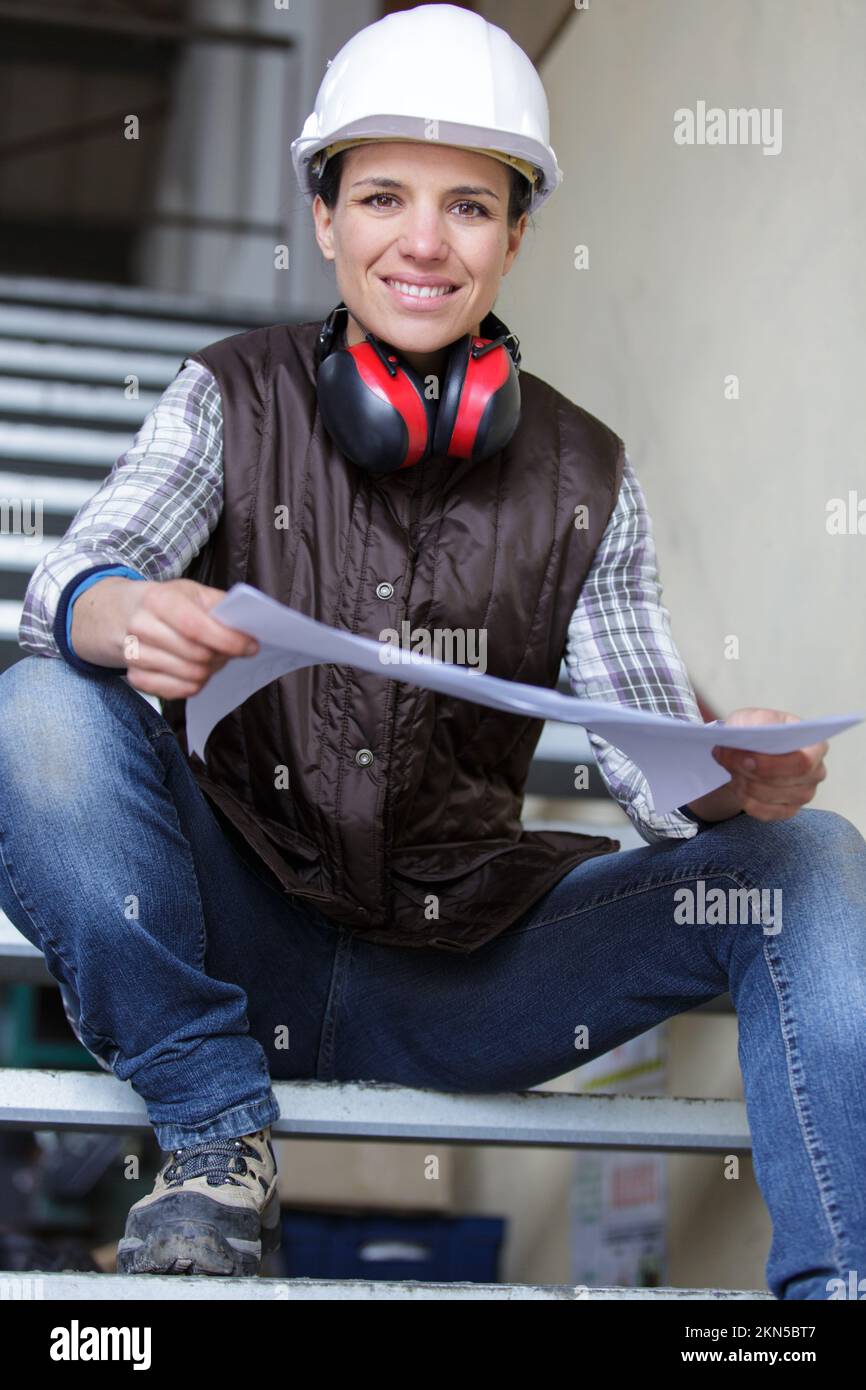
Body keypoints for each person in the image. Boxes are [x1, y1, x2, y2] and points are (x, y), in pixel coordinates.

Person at [0, 3, 864, 1297]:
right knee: (36, 705)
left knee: (808, 856)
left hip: (471, 969)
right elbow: (63, 578)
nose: (421, 240)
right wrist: (118, 611)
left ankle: (836, 1292)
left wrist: (728, 779)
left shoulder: (585, 475)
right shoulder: (224, 396)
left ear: (515, 238)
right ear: (324, 220)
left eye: (467, 207)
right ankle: (213, 1128)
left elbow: (644, 767)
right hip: (238, 934)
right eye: (384, 195)